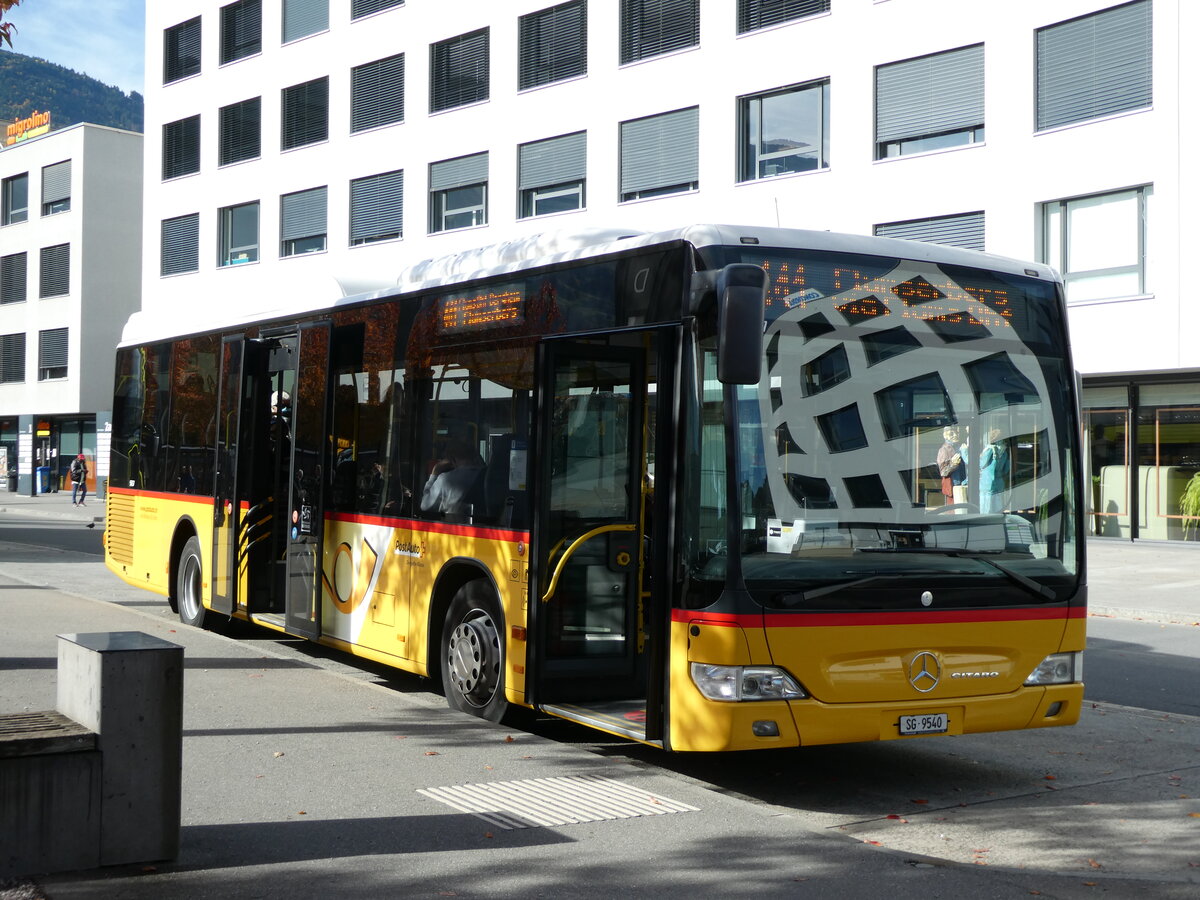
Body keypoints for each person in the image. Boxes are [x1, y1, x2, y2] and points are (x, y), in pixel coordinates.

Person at [420, 438, 485, 521]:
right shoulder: (486, 475)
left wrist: (434, 472)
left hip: (452, 527)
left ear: (451, 460)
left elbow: (425, 506)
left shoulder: (445, 479)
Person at [978, 428, 1009, 514]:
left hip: (987, 482)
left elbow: (981, 464)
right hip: (999, 482)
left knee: (986, 509)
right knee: (997, 508)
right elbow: (1006, 468)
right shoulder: (1004, 451)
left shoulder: (990, 449)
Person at [936, 427, 966, 504]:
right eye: (951, 433)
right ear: (945, 435)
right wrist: (953, 464)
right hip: (953, 486)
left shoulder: (960, 447)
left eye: (957, 433)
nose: (955, 435)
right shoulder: (943, 450)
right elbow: (943, 472)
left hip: (964, 484)